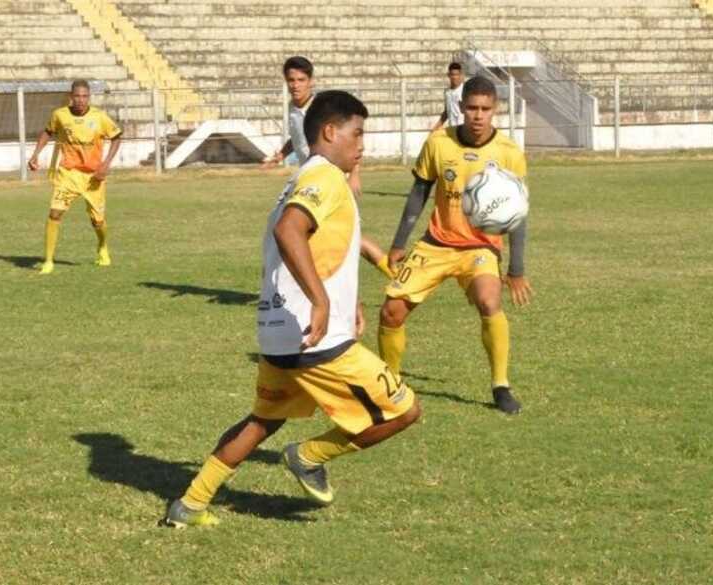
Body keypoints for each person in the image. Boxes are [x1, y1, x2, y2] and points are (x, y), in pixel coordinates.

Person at [165, 90, 421, 528]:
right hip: (315, 335)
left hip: (279, 328)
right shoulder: (324, 179)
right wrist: (323, 302)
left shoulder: (302, 179)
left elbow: (326, 244)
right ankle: (307, 456)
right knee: (405, 410)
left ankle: (189, 504)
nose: (362, 145)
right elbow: (291, 230)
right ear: (329, 131)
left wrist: (349, 297)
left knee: (263, 421)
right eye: (357, 134)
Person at [378, 76, 532, 415]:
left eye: (485, 109)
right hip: (436, 243)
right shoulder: (438, 143)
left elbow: (518, 213)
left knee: (489, 301)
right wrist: (399, 243)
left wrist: (516, 269)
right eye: (472, 108)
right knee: (391, 311)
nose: (478, 116)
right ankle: (390, 384)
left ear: (496, 110)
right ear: (461, 108)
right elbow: (419, 193)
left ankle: (501, 386)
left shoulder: (509, 153)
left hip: (480, 246)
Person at [263, 56, 395, 279]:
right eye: (291, 80)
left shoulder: (320, 109)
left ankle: (395, 275)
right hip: (310, 177)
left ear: (311, 81)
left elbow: (351, 137)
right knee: (323, 235)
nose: (295, 85)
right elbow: (296, 137)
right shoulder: (292, 108)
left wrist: (354, 174)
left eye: (301, 79)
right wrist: (280, 155)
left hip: (330, 177)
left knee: (350, 237)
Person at [27, 79, 122, 274]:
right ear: (71, 97)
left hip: (93, 177)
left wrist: (105, 165)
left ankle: (102, 246)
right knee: (55, 213)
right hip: (68, 174)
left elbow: (116, 137)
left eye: (85, 96)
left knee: (97, 221)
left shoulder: (100, 117)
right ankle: (48, 261)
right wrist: (35, 154)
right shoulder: (59, 115)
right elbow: (47, 132)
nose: (81, 100)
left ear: (89, 97)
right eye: (77, 96)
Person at [431, 62, 465, 132]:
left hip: (463, 128)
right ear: (448, 75)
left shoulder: (464, 90)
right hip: (452, 128)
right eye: (452, 75)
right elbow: (446, 112)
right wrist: (437, 126)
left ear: (460, 75)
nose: (454, 77)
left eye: (457, 75)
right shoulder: (447, 92)